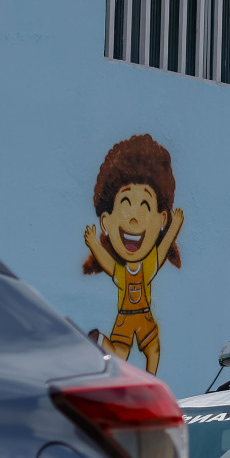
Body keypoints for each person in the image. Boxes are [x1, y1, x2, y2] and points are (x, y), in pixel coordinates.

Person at [81, 134, 184, 375]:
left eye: (145, 205)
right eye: (125, 203)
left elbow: (160, 251)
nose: (134, 217)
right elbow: (107, 262)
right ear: (106, 220)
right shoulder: (131, 270)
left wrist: (175, 228)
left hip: (134, 319)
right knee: (131, 353)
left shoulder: (146, 266)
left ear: (161, 219)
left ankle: (146, 381)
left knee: (148, 351)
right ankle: (144, 379)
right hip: (131, 319)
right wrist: (93, 244)